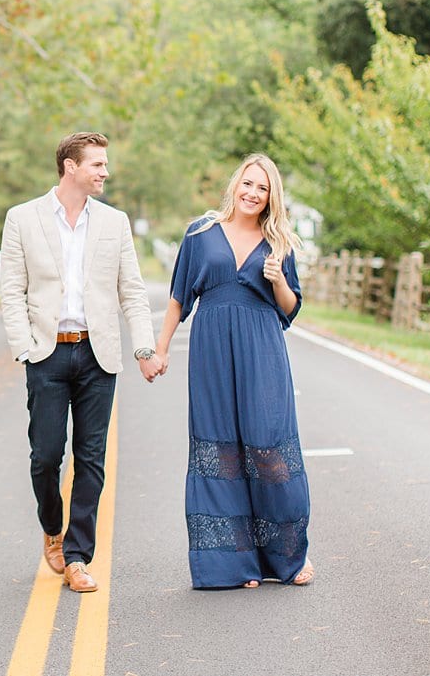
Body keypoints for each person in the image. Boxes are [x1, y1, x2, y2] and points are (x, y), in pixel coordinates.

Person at [139, 153, 313, 589]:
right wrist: (159, 351)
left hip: (262, 349)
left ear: (272, 197)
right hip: (212, 349)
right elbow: (179, 297)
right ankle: (235, 565)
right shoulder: (201, 233)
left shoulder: (278, 243)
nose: (253, 194)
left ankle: (286, 558)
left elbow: (290, 310)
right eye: (248, 184)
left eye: (263, 188)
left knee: (268, 446)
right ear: (236, 184)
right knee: (221, 453)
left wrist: (276, 280)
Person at [0, 131, 154, 593]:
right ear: (71, 166)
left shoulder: (114, 223)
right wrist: (24, 346)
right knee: (45, 456)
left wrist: (144, 348)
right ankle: (52, 527)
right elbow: (12, 289)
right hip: (46, 353)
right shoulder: (22, 219)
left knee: (91, 458)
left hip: (96, 353)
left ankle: (76, 555)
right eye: (98, 164)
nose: (105, 172)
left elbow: (132, 291)